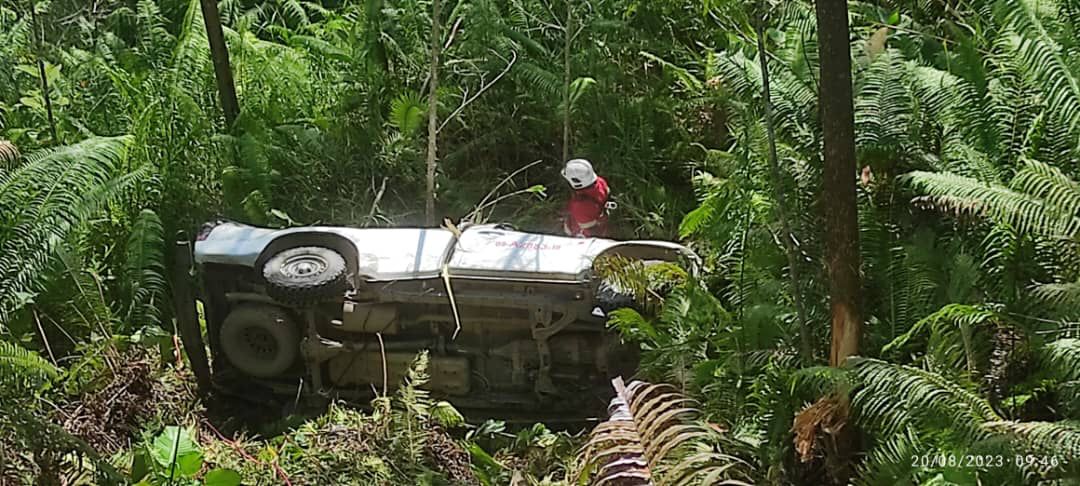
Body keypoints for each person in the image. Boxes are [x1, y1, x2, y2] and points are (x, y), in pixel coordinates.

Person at [561, 158, 610, 237]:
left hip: (585, 235)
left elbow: (588, 227)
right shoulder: (600, 182)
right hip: (601, 219)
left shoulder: (580, 205)